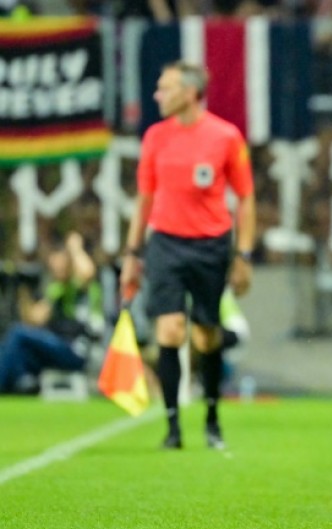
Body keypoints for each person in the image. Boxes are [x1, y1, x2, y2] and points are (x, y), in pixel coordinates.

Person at [121, 61, 255, 450]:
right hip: (165, 242)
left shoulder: (226, 137)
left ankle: (212, 419)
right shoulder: (154, 138)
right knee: (170, 329)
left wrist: (243, 253)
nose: (157, 96)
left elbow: (245, 197)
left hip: (211, 244)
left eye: (165, 88)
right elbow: (144, 198)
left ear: (190, 92)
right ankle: (173, 427)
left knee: (206, 334)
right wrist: (133, 252)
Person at [0, 232, 103, 394]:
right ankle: (24, 383)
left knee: (16, 333)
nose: (57, 266)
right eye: (54, 261)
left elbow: (88, 272)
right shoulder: (55, 288)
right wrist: (22, 290)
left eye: (61, 261)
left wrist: (75, 248)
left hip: (76, 348)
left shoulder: (78, 284)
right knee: (13, 347)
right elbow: (35, 319)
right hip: (56, 346)